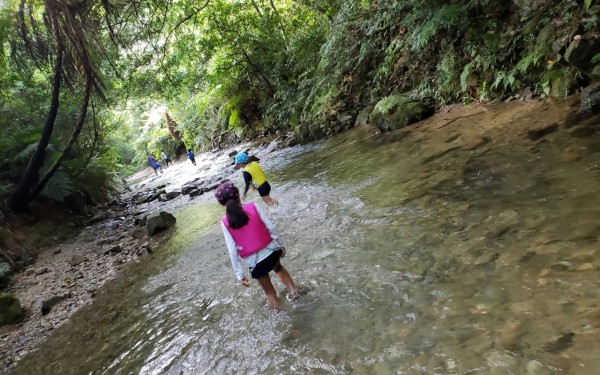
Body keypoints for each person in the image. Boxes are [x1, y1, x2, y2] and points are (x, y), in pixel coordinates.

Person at [215, 181, 299, 309]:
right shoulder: (253, 206)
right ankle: (295, 292)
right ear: (238, 195)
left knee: (269, 292)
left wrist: (239, 274)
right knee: (279, 268)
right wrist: (281, 245)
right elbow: (271, 227)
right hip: (271, 252)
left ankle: (282, 317)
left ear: (221, 204)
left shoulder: (225, 222)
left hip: (255, 264)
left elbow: (232, 250)